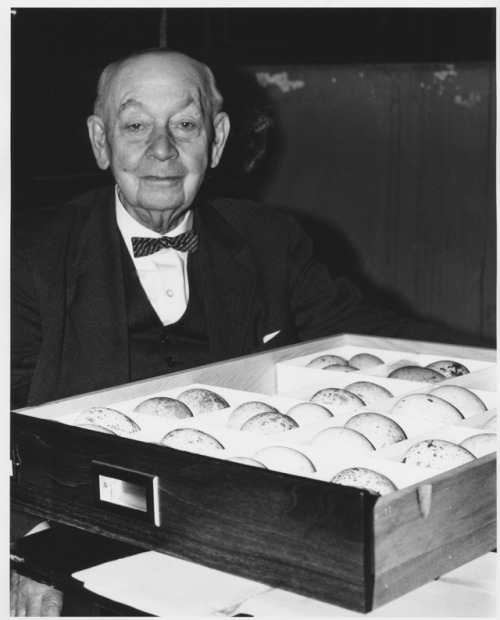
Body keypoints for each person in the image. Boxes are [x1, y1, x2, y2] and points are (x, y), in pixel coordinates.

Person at [10, 47, 488, 616]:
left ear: (216, 140)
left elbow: (375, 335)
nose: (161, 149)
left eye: (184, 125)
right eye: (135, 125)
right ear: (99, 141)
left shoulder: (269, 240)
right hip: (73, 537)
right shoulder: (26, 253)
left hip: (245, 541)